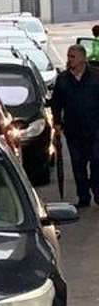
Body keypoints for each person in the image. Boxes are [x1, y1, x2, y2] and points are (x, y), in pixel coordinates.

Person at [53, 44, 99, 208]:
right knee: (78, 165)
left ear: (82, 58)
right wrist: (57, 122)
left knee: (96, 162)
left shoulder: (96, 76)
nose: (69, 60)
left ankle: (97, 191)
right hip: (74, 131)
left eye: (72, 56)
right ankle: (83, 197)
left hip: (95, 130)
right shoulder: (63, 79)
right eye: (68, 56)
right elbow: (56, 103)